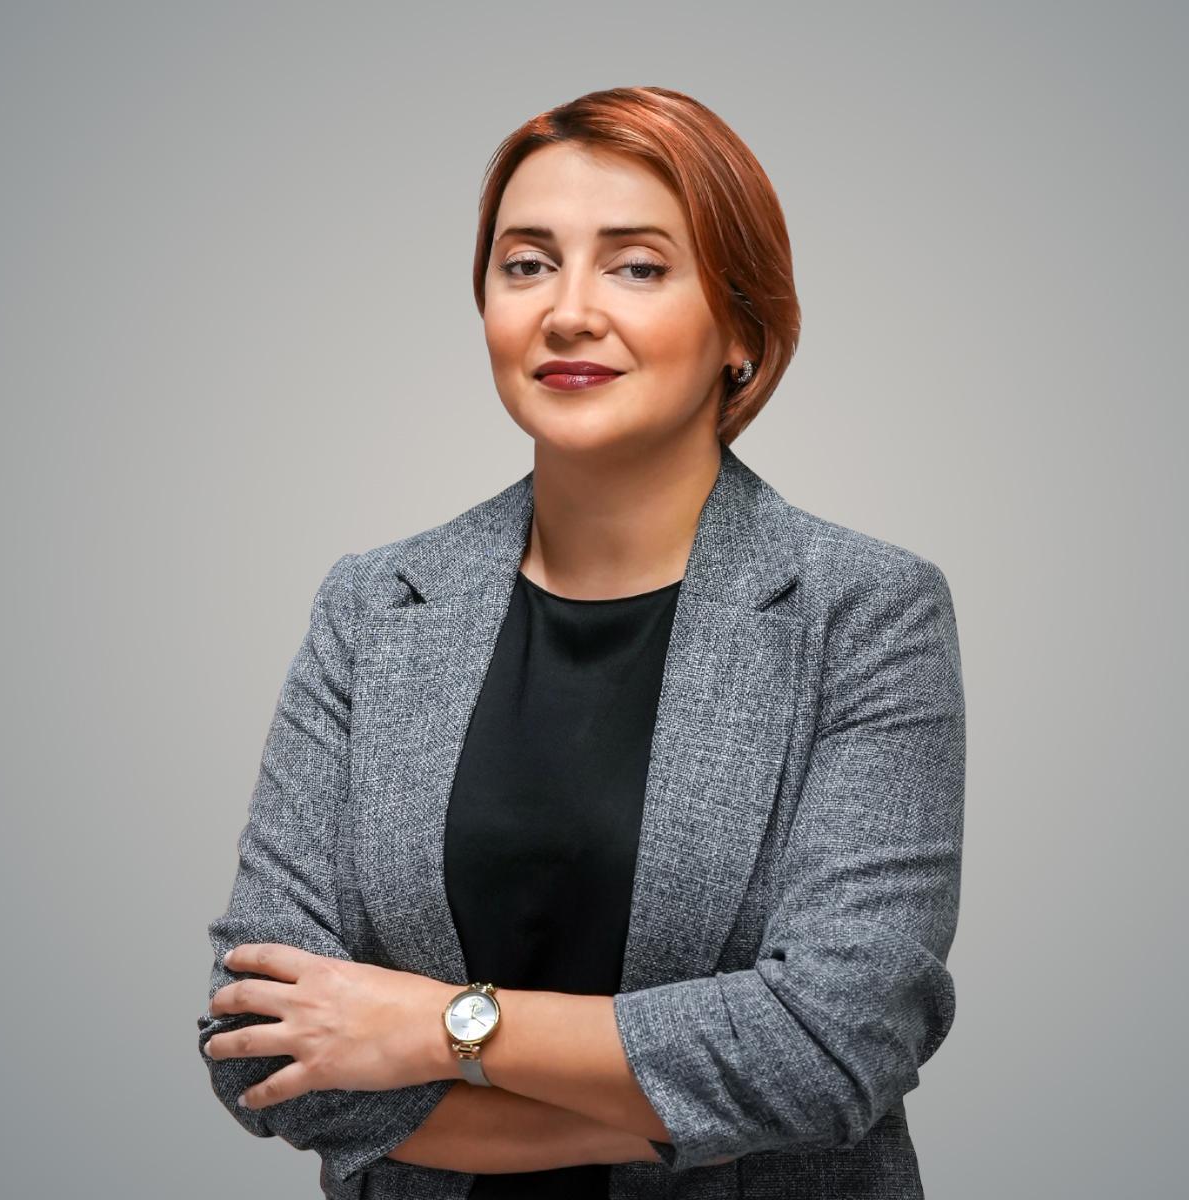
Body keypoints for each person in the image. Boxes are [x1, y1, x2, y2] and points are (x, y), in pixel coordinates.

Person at [197, 86, 966, 1200]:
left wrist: (442, 1026)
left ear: (742, 329)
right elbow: (257, 1039)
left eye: (637, 266)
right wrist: (697, 1121)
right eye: (526, 264)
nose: (567, 311)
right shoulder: (374, 607)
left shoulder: (864, 612)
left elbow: (835, 1043)